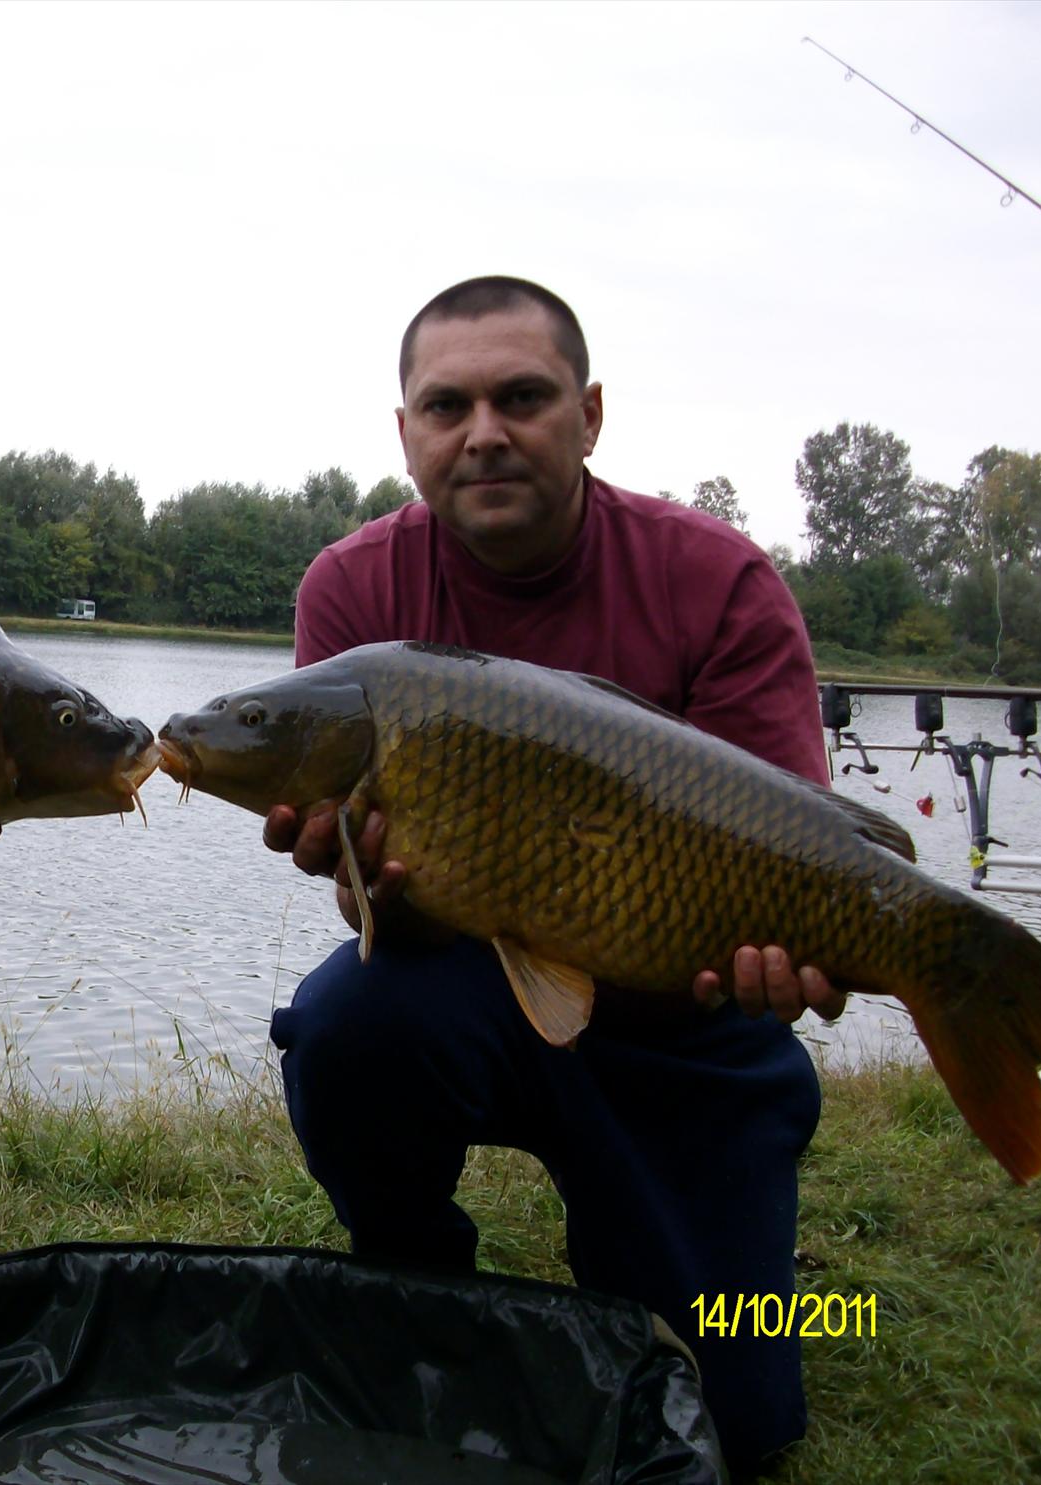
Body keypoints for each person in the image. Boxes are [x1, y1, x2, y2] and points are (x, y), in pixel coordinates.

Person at [263, 276, 842, 1476]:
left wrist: (795, 956)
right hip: (471, 992)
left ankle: (735, 1295)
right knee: (347, 1020)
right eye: (448, 406)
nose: (484, 432)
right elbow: (371, 899)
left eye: (521, 398)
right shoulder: (353, 591)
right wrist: (361, 881)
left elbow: (804, 857)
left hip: (687, 1023)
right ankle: (416, 1290)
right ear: (408, 434)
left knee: (733, 1422)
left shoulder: (718, 580)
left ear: (589, 415)